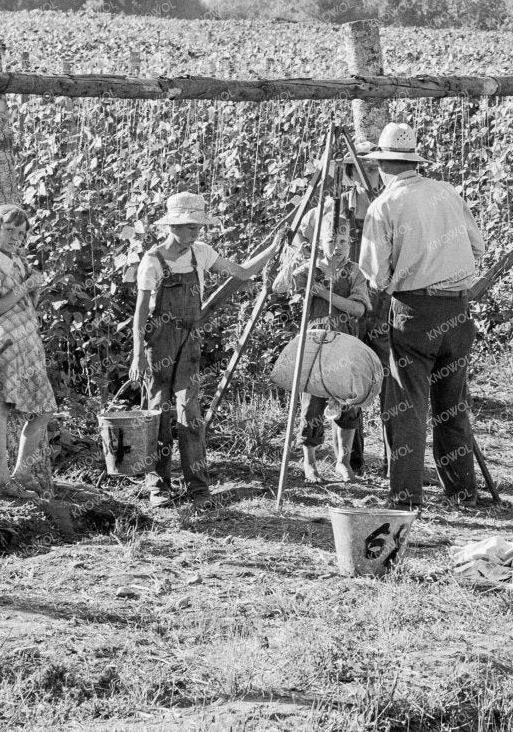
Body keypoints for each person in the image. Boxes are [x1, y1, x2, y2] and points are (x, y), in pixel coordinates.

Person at [357, 123, 488, 507]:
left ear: (382, 165)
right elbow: (477, 248)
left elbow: (377, 276)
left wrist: (405, 271)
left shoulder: (384, 206)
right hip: (458, 310)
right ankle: (463, 491)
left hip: (414, 312)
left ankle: (406, 495)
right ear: (412, 161)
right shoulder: (446, 193)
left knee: (407, 406)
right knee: (453, 404)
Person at [131, 191, 268, 504]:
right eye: (191, 226)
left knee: (191, 414)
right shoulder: (152, 262)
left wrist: (274, 249)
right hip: (159, 345)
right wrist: (138, 355)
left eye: (198, 227)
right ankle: (159, 487)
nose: (196, 232)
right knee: (159, 415)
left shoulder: (201, 253)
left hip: (190, 342)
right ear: (173, 227)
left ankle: (198, 488)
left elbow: (243, 272)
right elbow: (140, 313)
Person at [272, 198, 373, 483]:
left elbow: (358, 308)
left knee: (348, 400)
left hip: (345, 342)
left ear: (350, 242)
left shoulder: (353, 271)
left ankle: (343, 461)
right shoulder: (310, 268)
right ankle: (310, 463)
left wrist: (325, 294)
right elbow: (280, 286)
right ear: (320, 243)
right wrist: (295, 256)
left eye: (343, 240)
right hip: (315, 344)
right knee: (312, 403)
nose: (338, 247)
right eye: (331, 241)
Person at [0, 203, 57, 502]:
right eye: (9, 230)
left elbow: (28, 303)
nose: (16, 237)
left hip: (27, 341)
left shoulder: (17, 260)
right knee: (0, 407)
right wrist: (25, 287)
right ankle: (1, 481)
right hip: (4, 342)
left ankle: (20, 474)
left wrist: (36, 287)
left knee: (44, 409)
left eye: (21, 233)